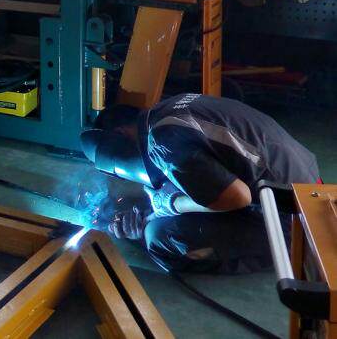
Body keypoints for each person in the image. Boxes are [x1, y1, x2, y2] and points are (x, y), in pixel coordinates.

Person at [81, 93, 320, 274]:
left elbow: (238, 197)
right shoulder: (168, 110)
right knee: (174, 196)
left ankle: (285, 250)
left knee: (159, 236)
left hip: (292, 219)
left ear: (121, 134)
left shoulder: (162, 142)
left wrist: (168, 206)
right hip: (306, 186)